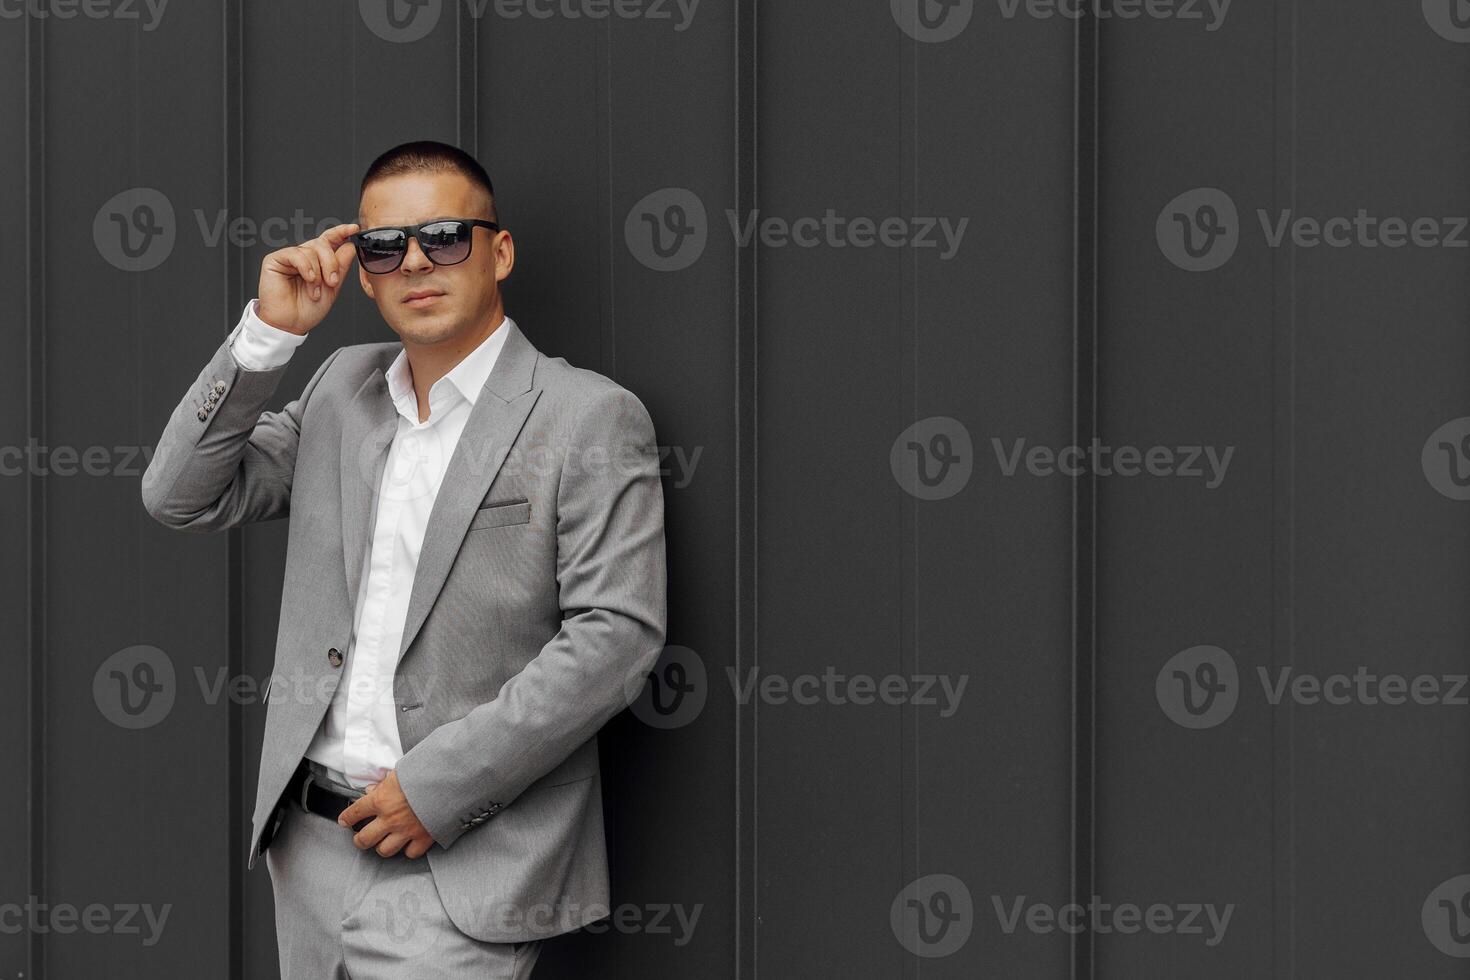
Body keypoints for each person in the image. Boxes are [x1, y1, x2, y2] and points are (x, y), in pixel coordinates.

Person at [141, 140, 667, 979]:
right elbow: (180, 495)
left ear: (499, 251)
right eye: (386, 247)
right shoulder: (339, 391)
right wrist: (266, 337)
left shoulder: (588, 417)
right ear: (364, 270)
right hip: (309, 853)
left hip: (462, 863)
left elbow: (616, 638)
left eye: (446, 236)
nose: (416, 261)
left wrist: (440, 789)